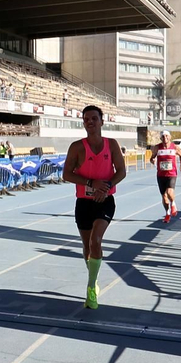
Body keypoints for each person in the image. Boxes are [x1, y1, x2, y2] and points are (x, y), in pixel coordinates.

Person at [61, 106, 127, 309]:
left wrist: (105, 188)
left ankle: (90, 287)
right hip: (84, 202)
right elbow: (67, 174)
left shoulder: (112, 144)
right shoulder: (77, 147)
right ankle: (94, 278)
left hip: (105, 201)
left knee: (96, 240)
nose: (90, 122)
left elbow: (122, 171)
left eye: (94, 118)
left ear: (102, 121)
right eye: (86, 119)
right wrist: (91, 183)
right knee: (87, 246)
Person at [149, 131, 181, 222]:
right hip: (161, 175)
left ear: (170, 137)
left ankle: (173, 204)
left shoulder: (174, 147)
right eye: (163, 136)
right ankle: (167, 213)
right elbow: (152, 157)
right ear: (160, 138)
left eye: (166, 136)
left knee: (169, 192)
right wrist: (152, 160)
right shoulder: (157, 147)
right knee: (164, 196)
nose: (165, 138)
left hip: (172, 174)